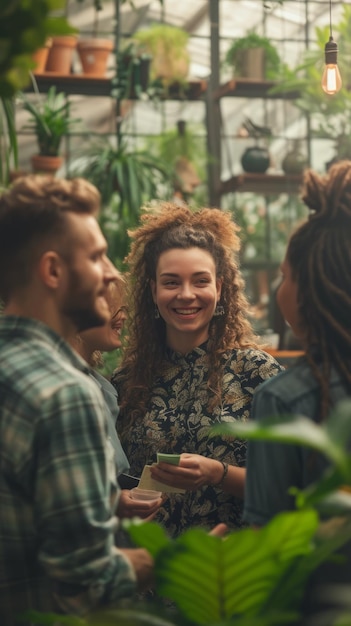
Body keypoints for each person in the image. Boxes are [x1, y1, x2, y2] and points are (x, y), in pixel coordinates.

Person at [0, 175, 153, 626]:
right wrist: (178, 560)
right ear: (52, 271)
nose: (110, 272)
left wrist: (104, 499)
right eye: (97, 255)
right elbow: (84, 589)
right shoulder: (67, 393)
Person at [112, 202, 282, 538]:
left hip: (227, 571)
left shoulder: (257, 374)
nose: (186, 295)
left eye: (200, 281)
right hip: (147, 573)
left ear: (219, 288)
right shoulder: (127, 383)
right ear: (153, 291)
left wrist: (218, 473)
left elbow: (289, 486)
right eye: (171, 282)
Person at [243, 161, 351, 613]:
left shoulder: (286, 399)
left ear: (308, 290)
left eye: (284, 276)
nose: (280, 287)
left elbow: (267, 549)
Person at [73, 278, 163, 521]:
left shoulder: (103, 386)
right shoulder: (69, 390)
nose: (121, 316)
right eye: (110, 306)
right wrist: (110, 504)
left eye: (123, 308)